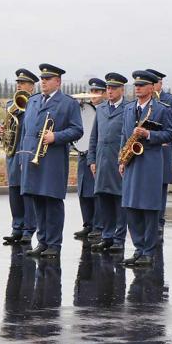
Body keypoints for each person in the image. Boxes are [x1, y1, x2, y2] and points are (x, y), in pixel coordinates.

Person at [19, 63, 84, 258]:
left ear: (58, 81)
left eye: (47, 79)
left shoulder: (68, 103)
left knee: (52, 201)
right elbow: (26, 131)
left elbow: (77, 130)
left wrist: (56, 137)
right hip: (32, 157)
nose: (43, 82)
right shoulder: (33, 100)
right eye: (42, 79)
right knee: (37, 199)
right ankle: (42, 241)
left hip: (53, 158)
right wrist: (23, 155)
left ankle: (54, 244)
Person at [119, 70, 172, 267]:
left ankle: (149, 251)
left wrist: (149, 134)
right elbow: (123, 136)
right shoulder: (128, 109)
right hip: (131, 162)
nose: (138, 88)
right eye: (136, 85)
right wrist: (121, 159)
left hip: (151, 162)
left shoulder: (161, 109)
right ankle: (138, 248)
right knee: (131, 207)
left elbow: (170, 134)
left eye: (142, 85)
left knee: (149, 208)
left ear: (152, 88)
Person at [88, 72, 129, 253]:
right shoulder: (102, 109)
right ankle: (107, 235)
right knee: (103, 198)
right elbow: (94, 136)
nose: (110, 91)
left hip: (118, 160)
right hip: (102, 160)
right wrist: (91, 159)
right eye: (108, 88)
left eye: (113, 88)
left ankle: (119, 238)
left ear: (122, 89)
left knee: (119, 199)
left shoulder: (128, 108)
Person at [0, 68, 38, 245]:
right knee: (14, 191)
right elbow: (7, 128)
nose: (19, 86)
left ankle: (29, 229)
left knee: (27, 192)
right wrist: (1, 133)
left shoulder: (36, 103)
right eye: (18, 83)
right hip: (12, 153)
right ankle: (17, 227)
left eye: (22, 83)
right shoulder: (11, 104)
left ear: (32, 86)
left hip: (26, 152)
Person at [146, 68, 172, 240]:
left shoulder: (171, 100)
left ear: (161, 83)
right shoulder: (143, 100)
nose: (155, 85)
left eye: (157, 82)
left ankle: (159, 221)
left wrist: (160, 131)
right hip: (145, 147)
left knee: (161, 184)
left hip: (164, 146)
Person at [74, 78, 106, 240]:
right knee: (83, 190)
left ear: (104, 93)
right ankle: (87, 223)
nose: (94, 95)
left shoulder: (104, 110)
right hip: (83, 153)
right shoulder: (85, 110)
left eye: (97, 92)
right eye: (92, 91)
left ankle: (99, 226)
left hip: (97, 154)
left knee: (96, 191)